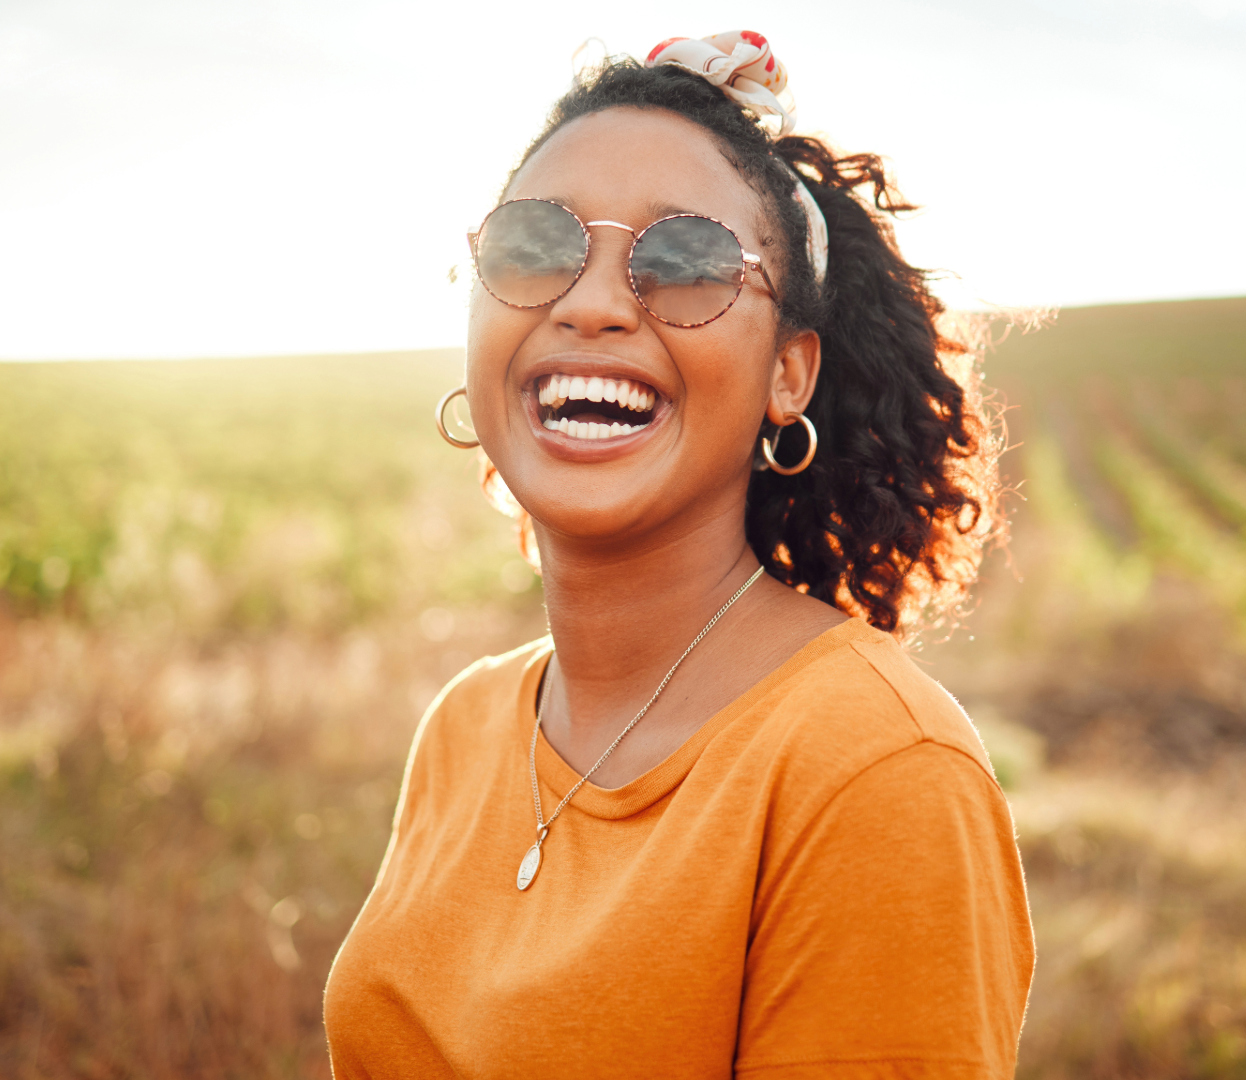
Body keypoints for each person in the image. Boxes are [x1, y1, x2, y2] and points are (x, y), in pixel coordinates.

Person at [325, 31, 1034, 1078]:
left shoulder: (875, 773)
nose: (592, 303)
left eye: (688, 262)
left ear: (789, 375)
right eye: (533, 244)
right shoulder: (466, 725)